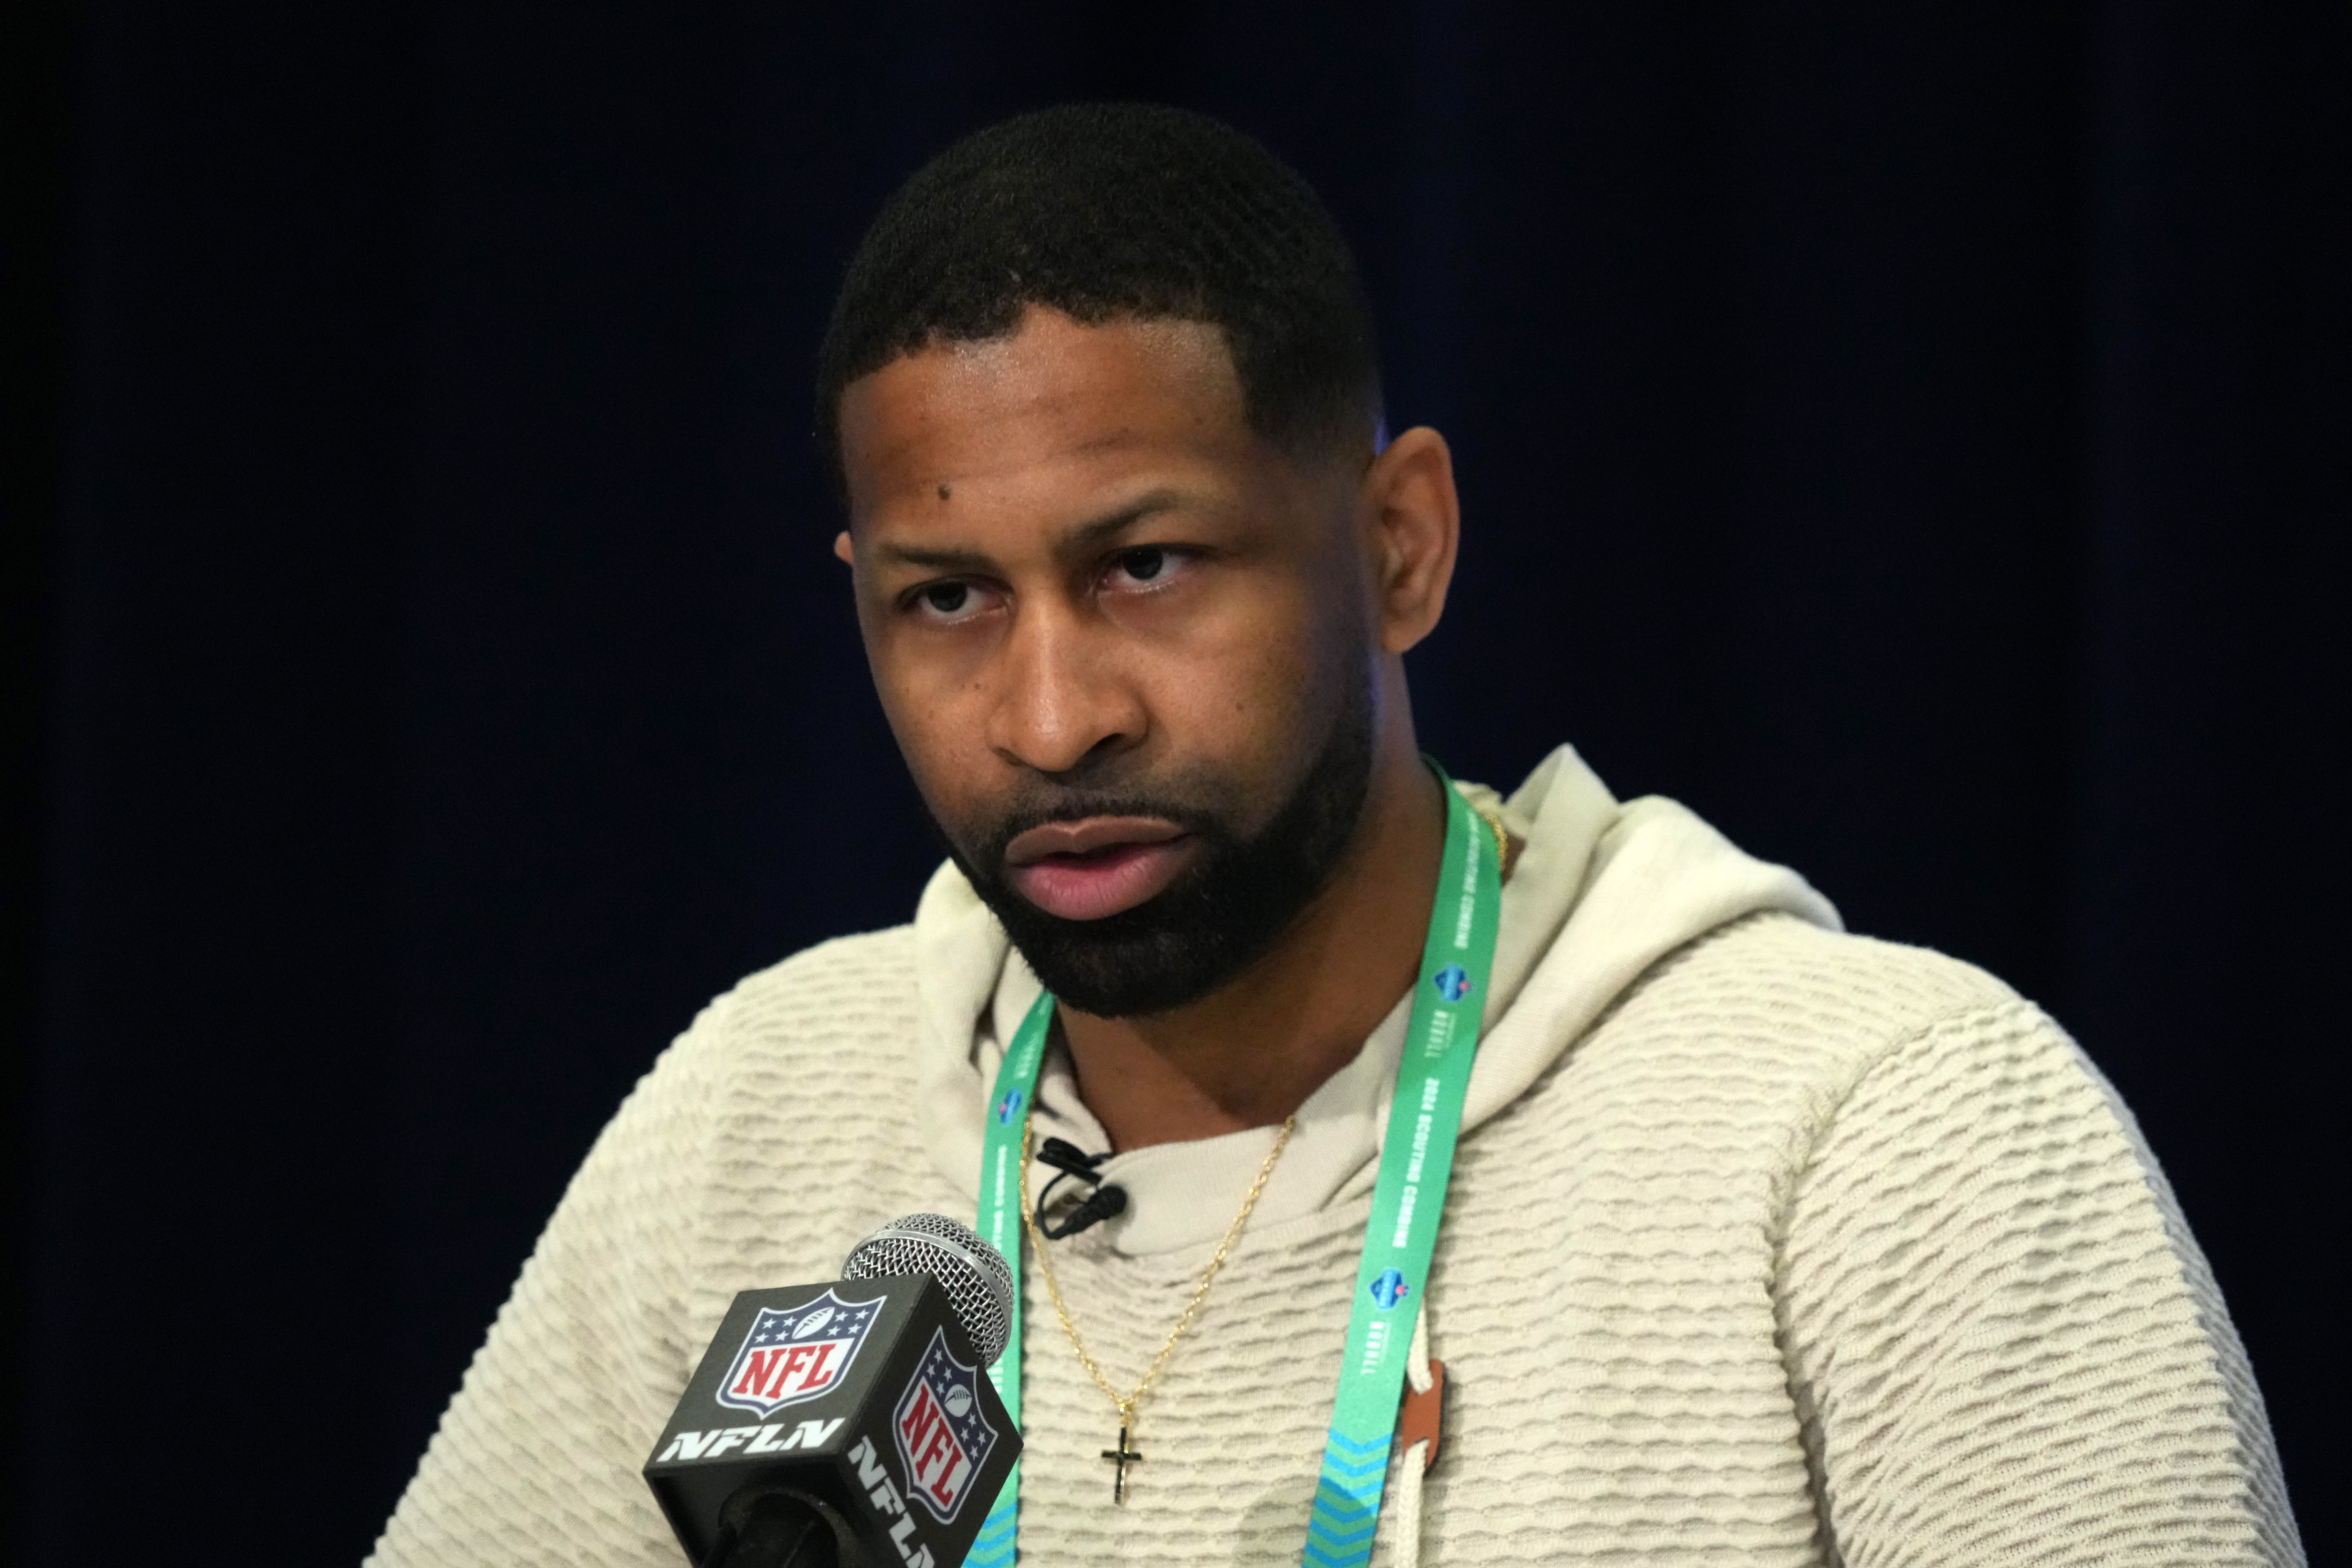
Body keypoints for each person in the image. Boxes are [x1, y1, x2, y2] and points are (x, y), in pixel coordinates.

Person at [368, 103, 2301, 1567]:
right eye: (947, 601)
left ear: (1399, 546)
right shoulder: (763, 1113)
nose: (1053, 718)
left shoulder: (1890, 1128)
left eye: (1145, 566)